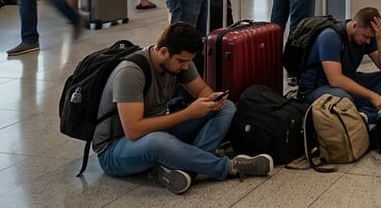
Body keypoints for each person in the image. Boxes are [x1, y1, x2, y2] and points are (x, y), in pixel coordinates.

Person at [94, 22, 272, 194]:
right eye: (182, 61)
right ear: (163, 52)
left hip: (160, 131)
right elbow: (133, 130)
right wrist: (188, 113)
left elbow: (202, 90)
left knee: (226, 108)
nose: (186, 66)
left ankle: (186, 168)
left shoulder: (179, 62)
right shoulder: (131, 72)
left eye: (189, 61)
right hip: (116, 150)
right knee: (158, 142)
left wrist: (210, 101)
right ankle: (229, 167)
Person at [299, 6, 381, 124]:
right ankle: (365, 111)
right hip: (317, 89)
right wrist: (372, 96)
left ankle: (365, 115)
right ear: (354, 26)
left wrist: (379, 38)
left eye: (371, 38)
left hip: (347, 81)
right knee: (343, 98)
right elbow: (335, 80)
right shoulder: (330, 37)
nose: (368, 41)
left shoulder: (366, 35)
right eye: (366, 37)